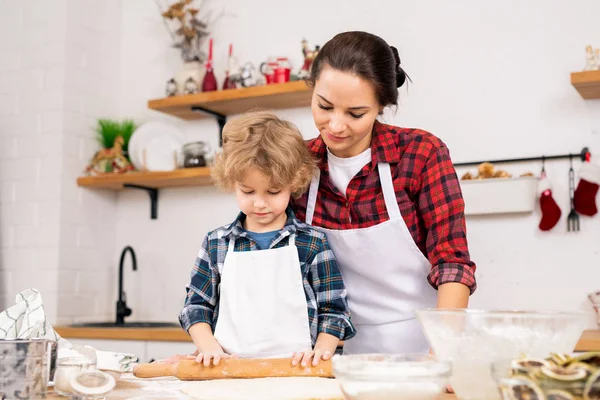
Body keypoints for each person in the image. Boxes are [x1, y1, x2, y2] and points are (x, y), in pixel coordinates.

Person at [290, 31, 478, 355]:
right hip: (326, 352)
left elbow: (452, 262)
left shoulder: (421, 154)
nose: (335, 125)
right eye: (324, 106)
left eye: (355, 113)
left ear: (382, 105)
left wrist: (444, 345)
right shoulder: (298, 164)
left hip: (422, 344)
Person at [178, 111, 356, 367]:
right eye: (247, 191)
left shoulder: (312, 243)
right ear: (232, 182)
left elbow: (334, 310)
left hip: (298, 372)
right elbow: (195, 307)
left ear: (293, 183)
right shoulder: (216, 243)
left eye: (273, 191)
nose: (260, 203)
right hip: (228, 372)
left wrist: (322, 350)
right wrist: (209, 349)